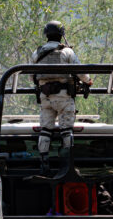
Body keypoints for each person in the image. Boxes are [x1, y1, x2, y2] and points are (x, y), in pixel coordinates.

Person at [30, 21, 92, 173]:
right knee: (66, 130)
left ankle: (44, 163)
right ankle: (68, 164)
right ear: (61, 34)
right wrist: (88, 81)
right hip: (64, 97)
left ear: (46, 35)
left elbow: (32, 76)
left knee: (45, 129)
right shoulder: (67, 52)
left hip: (46, 98)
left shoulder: (37, 53)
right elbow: (80, 72)